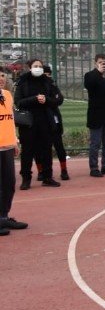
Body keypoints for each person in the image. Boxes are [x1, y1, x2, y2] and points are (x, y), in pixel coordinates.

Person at [14, 59, 61, 188]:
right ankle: (26, 179)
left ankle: (47, 177)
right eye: (35, 66)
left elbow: (58, 99)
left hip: (45, 120)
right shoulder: (23, 81)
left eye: (40, 66)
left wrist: (46, 100)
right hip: (28, 122)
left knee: (46, 150)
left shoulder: (48, 81)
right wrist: (34, 99)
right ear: (30, 68)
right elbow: (18, 102)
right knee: (27, 151)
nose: (38, 68)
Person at [0, 69, 28, 234]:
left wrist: (15, 141)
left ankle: (4, 216)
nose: (1, 78)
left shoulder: (7, 95)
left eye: (2, 75)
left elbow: (10, 120)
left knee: (9, 184)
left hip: (8, 146)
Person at [42, 65, 70, 180]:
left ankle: (64, 170)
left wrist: (48, 101)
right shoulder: (36, 86)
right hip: (42, 121)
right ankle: (43, 172)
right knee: (42, 149)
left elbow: (59, 100)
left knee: (59, 147)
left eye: (48, 75)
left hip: (55, 121)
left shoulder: (53, 86)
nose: (47, 77)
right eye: (45, 75)